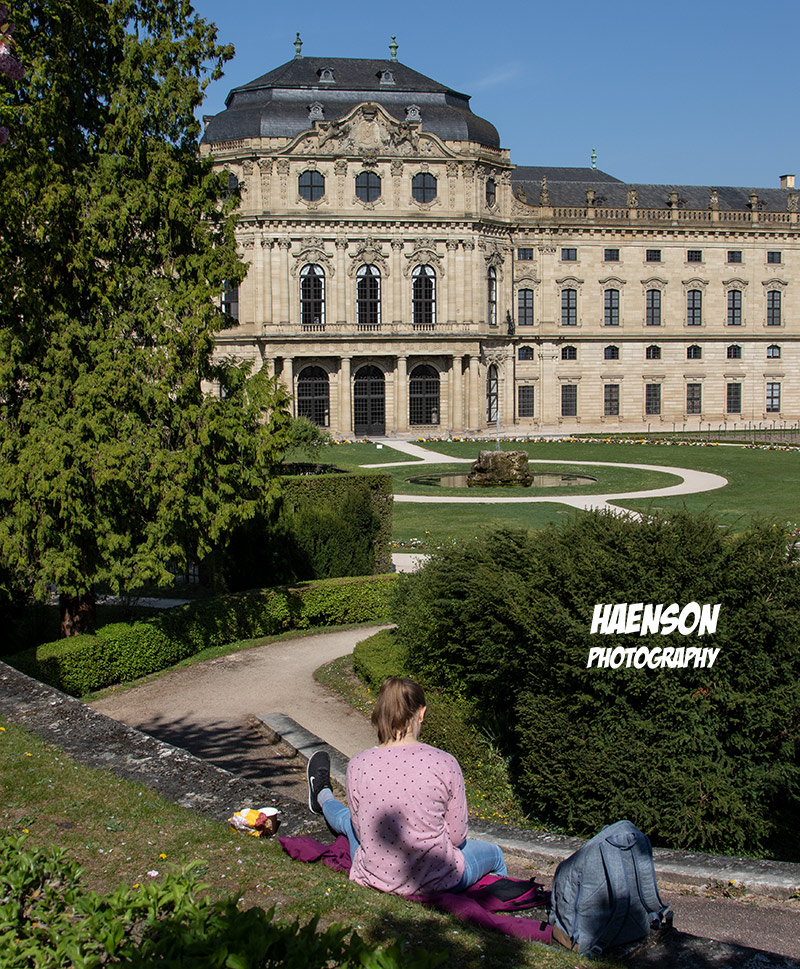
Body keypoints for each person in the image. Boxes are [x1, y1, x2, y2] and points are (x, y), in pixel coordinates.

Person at [306, 676, 507, 897]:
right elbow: (457, 837)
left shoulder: (358, 764)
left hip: (376, 876)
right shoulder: (445, 762)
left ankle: (322, 795)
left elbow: (363, 832)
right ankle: (500, 904)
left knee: (348, 821)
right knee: (496, 855)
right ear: (421, 713)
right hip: (437, 879)